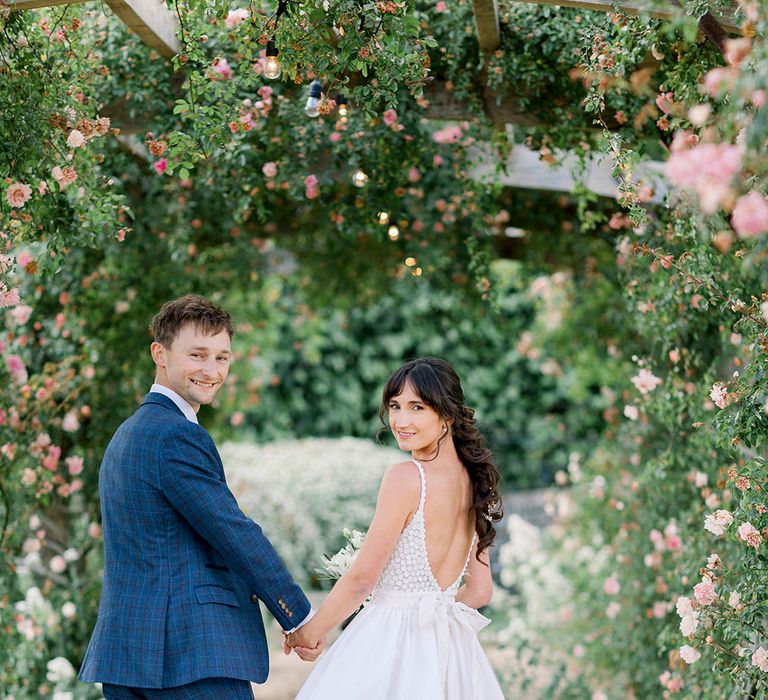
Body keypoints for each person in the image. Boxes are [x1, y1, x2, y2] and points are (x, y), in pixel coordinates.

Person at [79, 295, 322, 699]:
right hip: (188, 658)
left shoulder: (126, 435)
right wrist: (297, 614)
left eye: (222, 358)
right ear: (160, 353)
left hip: (130, 658)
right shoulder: (174, 434)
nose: (211, 371)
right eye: (197, 354)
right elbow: (232, 531)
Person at [287, 356, 505, 698]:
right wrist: (436, 611)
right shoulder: (474, 481)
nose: (401, 421)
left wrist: (312, 631)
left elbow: (361, 581)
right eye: (395, 406)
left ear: (447, 414)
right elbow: (480, 592)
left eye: (417, 407)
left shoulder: (406, 478)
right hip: (450, 648)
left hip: (390, 641)